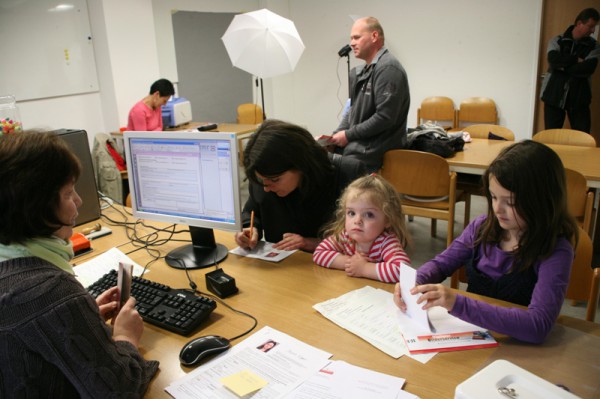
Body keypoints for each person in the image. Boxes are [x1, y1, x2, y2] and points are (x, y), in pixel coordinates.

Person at [0, 131, 158, 397]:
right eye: (69, 192)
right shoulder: (52, 290)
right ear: (37, 207)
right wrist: (125, 337)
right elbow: (119, 389)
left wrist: (78, 320)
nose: (79, 202)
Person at [393, 140, 578, 344]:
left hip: (517, 350)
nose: (497, 209)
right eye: (493, 197)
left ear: (541, 202)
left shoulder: (555, 250)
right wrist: (415, 283)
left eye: (511, 202)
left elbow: (537, 325)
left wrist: (458, 303)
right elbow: (440, 264)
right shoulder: (483, 227)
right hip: (472, 337)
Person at [235, 119, 365, 253]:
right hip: (279, 266)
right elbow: (251, 212)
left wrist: (312, 243)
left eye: (275, 180)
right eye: (261, 180)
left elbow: (370, 237)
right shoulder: (263, 175)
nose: (266, 188)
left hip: (333, 265)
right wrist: (249, 229)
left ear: (300, 165)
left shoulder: (347, 175)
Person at [328, 16, 410, 172]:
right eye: (351, 38)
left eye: (357, 37)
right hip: (360, 144)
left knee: (333, 169)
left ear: (374, 37)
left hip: (375, 148)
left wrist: (348, 135)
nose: (352, 43)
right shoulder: (362, 72)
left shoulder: (388, 69)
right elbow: (352, 110)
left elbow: (384, 118)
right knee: (320, 157)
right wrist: (335, 136)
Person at [313, 174, 411, 283]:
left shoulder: (386, 242)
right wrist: (350, 263)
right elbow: (319, 253)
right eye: (351, 213)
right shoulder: (345, 236)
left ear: (388, 220)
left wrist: (364, 268)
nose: (357, 220)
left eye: (369, 215)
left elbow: (403, 272)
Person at [541, 8, 600, 133]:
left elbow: (588, 68)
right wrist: (575, 60)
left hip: (580, 98)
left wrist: (562, 66)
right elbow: (553, 60)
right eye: (590, 26)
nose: (593, 30)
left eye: (594, 27)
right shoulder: (556, 40)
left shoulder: (595, 47)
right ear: (579, 24)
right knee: (551, 136)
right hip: (553, 95)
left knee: (583, 137)